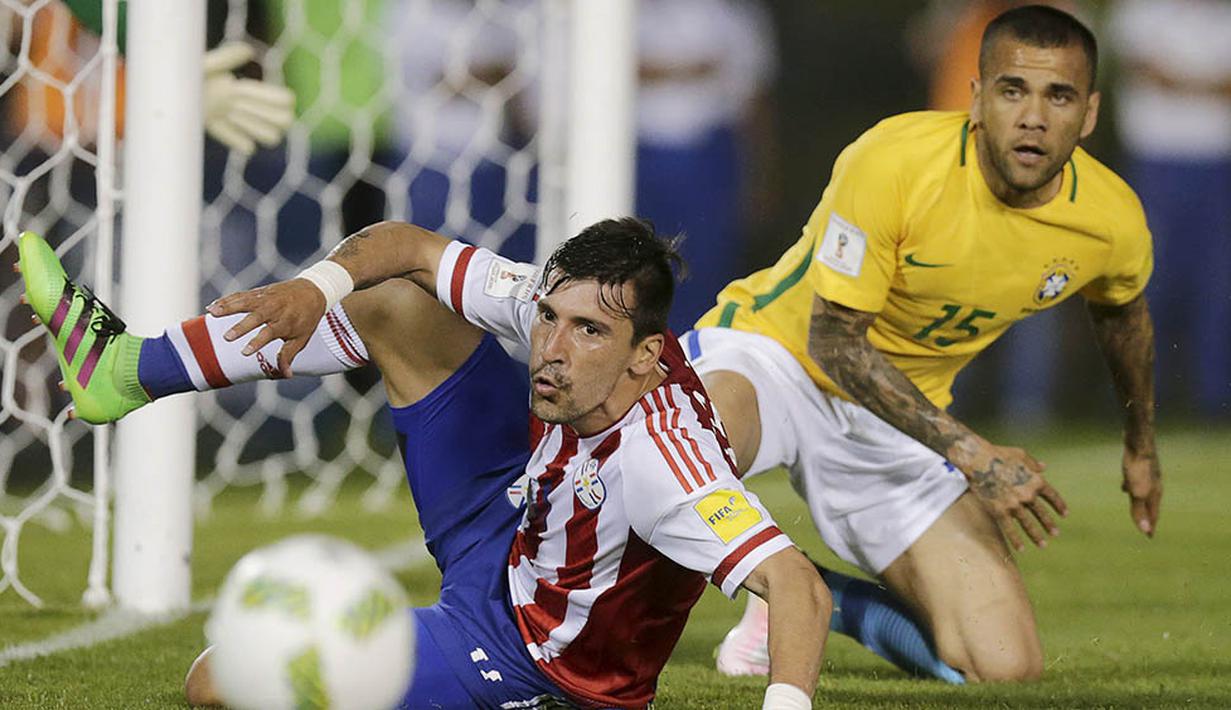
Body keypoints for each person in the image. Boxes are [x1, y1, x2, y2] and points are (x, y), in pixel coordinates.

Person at [17, 220, 829, 708]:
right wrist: (313, 286)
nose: (549, 349)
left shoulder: (662, 463)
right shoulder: (547, 313)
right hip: (511, 523)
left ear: (647, 355)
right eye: (549, 317)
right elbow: (403, 245)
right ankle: (124, 367)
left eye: (586, 333)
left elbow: (797, 585)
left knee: (220, 683)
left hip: (530, 656)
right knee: (393, 302)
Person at [696, 5, 1160, 682]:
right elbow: (833, 342)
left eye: (1057, 96)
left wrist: (1140, 445)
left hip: (898, 416)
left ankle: (809, 601)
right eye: (1011, 91)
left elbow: (1120, 315)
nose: (1032, 117)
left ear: (1087, 114)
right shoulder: (896, 158)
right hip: (773, 359)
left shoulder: (1109, 220)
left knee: (1002, 669)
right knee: (677, 459)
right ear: (974, 99)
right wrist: (971, 453)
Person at [1108, 0, 1231, 418]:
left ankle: (1212, 401)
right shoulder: (1143, 11)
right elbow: (1146, 71)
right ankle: (1137, 398)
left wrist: (1180, 81)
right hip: (1156, 162)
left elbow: (1167, 78)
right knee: (1147, 280)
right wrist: (1211, 85)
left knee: (1216, 284)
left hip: (1218, 165)